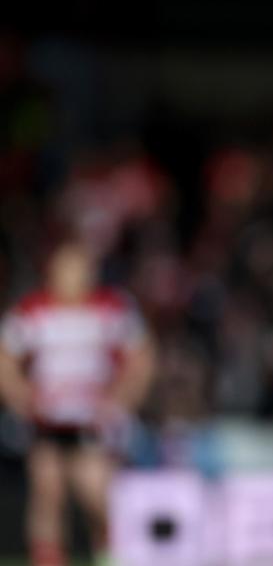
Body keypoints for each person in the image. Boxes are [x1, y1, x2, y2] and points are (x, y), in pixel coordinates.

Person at [0, 242, 155, 566]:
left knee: (97, 494)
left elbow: (142, 358)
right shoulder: (33, 310)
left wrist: (121, 399)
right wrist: (21, 395)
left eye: (79, 269)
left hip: (91, 421)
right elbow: (5, 359)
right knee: (47, 492)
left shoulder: (111, 308)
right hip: (47, 421)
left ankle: (109, 553)